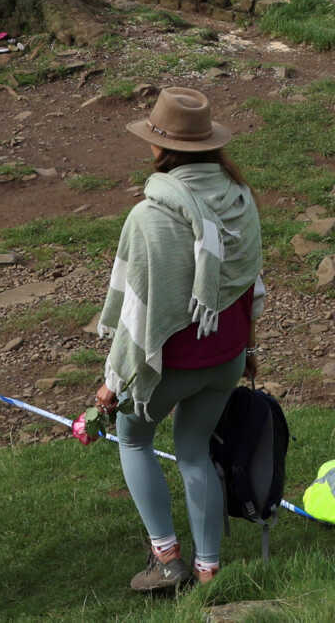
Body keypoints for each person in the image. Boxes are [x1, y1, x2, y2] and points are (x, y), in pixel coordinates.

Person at [91, 87, 266, 594]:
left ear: (158, 149)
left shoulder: (149, 217)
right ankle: (209, 571)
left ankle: (166, 558)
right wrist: (251, 351)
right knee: (193, 454)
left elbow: (136, 317)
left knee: (133, 438)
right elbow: (250, 282)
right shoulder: (240, 197)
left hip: (171, 364)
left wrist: (113, 383)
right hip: (228, 355)